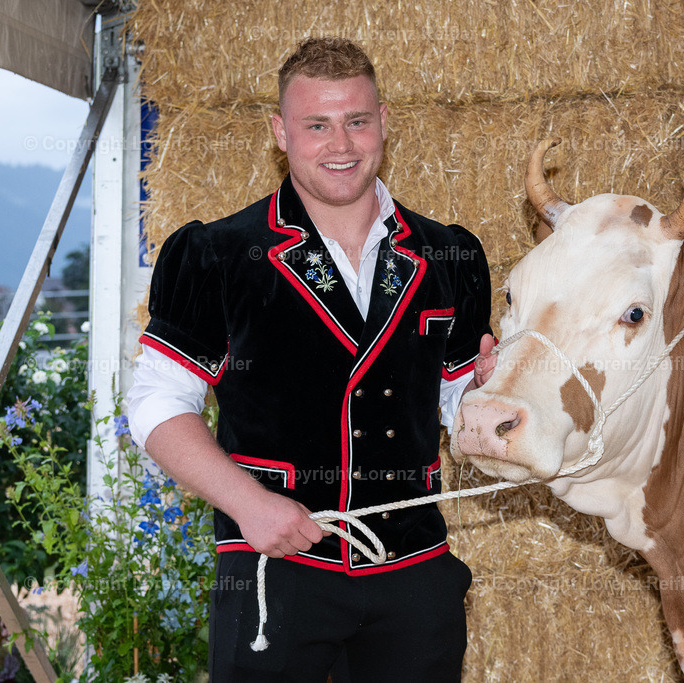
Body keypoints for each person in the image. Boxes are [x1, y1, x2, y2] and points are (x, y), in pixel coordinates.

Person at [127, 36, 495, 682]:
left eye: (357, 121)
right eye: (316, 125)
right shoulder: (217, 255)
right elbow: (155, 404)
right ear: (280, 132)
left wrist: (492, 397)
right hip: (275, 570)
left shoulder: (449, 256)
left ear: (384, 123)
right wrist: (249, 503)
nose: (342, 145)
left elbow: (459, 410)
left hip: (413, 574)